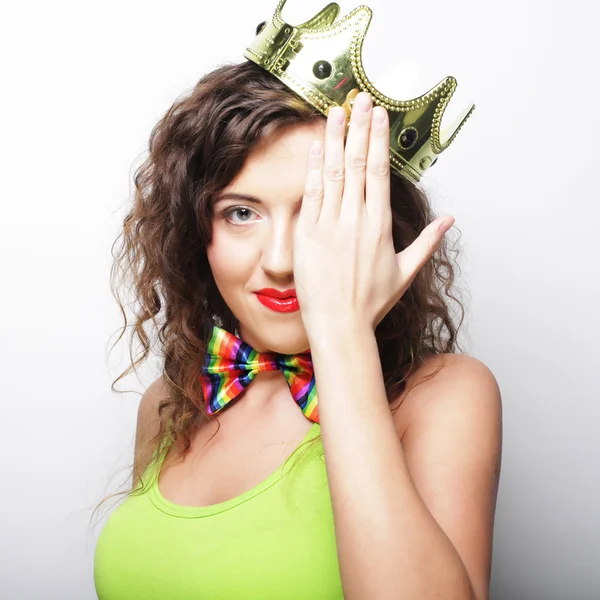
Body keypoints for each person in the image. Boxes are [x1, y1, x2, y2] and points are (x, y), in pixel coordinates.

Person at [92, 35, 502, 600]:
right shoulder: (169, 403)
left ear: (379, 229)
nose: (282, 261)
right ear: (196, 235)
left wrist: (342, 331)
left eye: (319, 212)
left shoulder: (445, 395)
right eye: (241, 213)